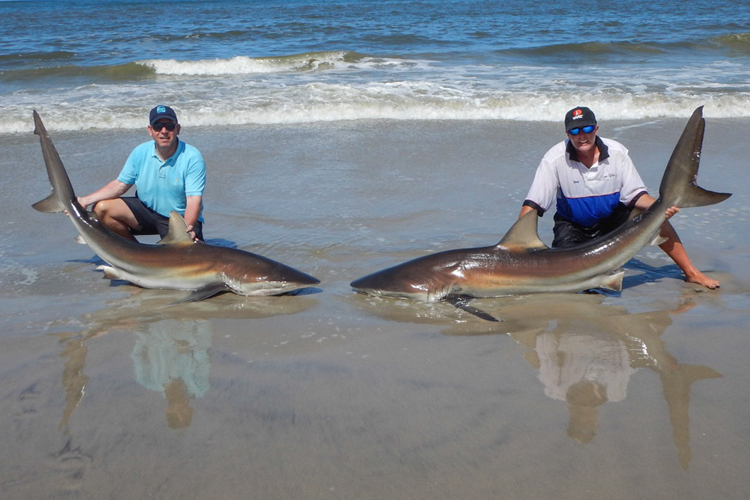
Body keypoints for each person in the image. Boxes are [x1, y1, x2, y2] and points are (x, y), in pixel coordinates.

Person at [518, 106, 719, 289]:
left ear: (596, 128)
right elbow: (533, 205)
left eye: (587, 129)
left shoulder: (617, 153)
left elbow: (636, 196)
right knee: (573, 282)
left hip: (613, 220)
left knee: (656, 217)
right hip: (573, 225)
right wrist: (518, 245)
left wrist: (662, 208)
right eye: (575, 131)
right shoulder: (554, 159)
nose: (582, 136)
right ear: (567, 133)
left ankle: (691, 273)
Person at [78, 105, 206, 242]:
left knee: (190, 259)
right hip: (147, 212)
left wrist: (187, 229)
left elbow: (193, 200)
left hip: (179, 219)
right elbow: (120, 185)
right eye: (157, 126)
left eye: (169, 126)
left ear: (178, 129)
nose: (164, 131)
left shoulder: (192, 157)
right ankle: (135, 252)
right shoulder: (140, 152)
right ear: (150, 130)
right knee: (102, 209)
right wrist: (85, 201)